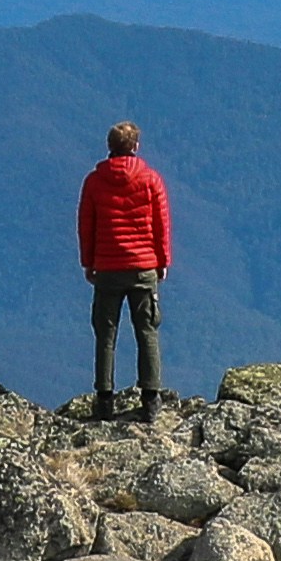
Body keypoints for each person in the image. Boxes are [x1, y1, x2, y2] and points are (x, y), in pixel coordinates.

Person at [77, 121, 174, 409]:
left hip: (107, 267)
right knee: (147, 331)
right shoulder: (151, 180)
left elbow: (86, 226)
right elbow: (161, 224)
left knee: (106, 333)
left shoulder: (94, 182)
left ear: (110, 147)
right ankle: (150, 398)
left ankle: (104, 398)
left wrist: (88, 262)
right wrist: (163, 260)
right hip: (144, 266)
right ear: (135, 147)